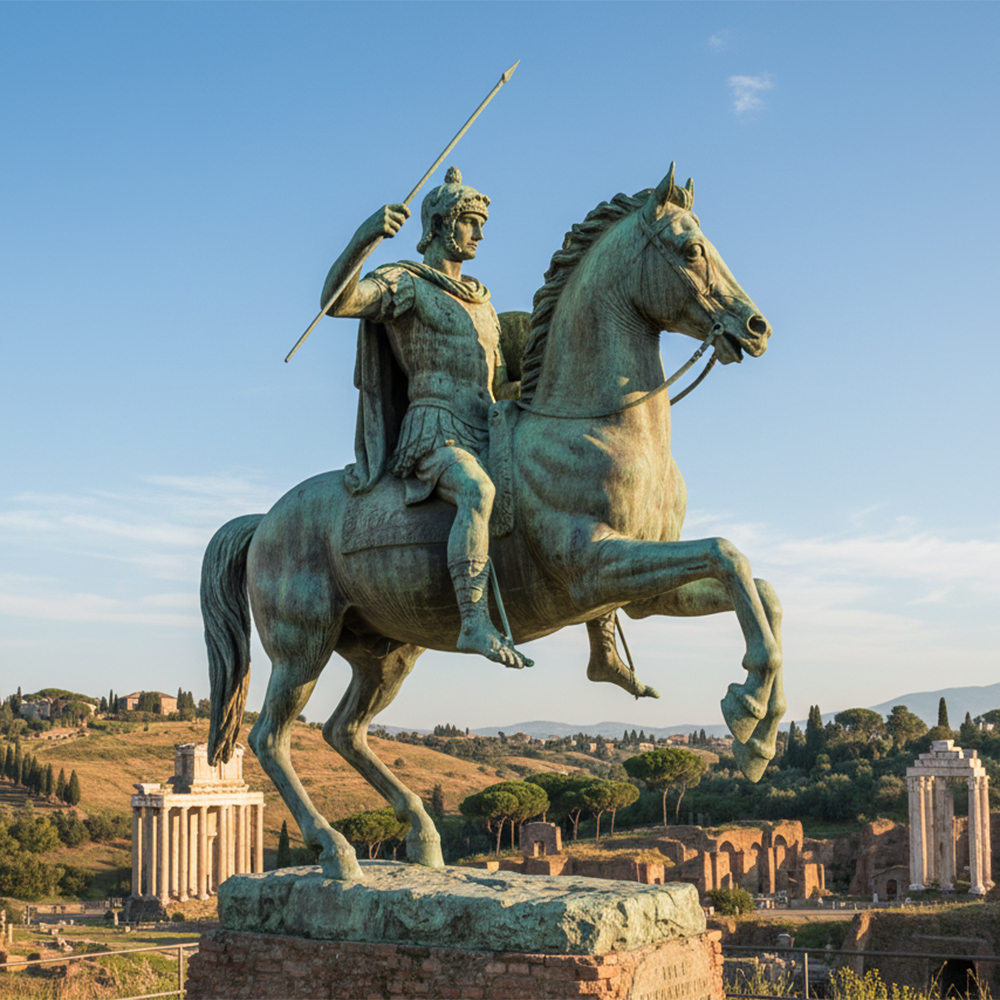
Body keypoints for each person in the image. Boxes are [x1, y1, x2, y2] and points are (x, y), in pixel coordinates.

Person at [321, 167, 530, 671]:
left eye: (481, 225)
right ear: (439, 225)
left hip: (488, 425)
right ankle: (474, 621)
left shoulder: (483, 303)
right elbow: (337, 301)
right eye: (469, 223)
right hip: (436, 427)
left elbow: (496, 383)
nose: (478, 234)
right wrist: (366, 235)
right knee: (477, 492)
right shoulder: (407, 284)